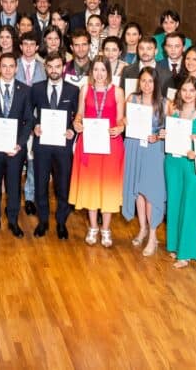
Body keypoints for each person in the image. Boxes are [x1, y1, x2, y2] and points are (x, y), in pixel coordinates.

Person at [69, 56, 126, 248]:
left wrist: (119, 128)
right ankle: (93, 227)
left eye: (103, 70)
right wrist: (76, 123)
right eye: (96, 70)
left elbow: (121, 119)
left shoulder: (117, 92)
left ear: (108, 72)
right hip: (90, 143)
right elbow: (80, 114)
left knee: (108, 186)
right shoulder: (85, 89)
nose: (99, 74)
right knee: (91, 185)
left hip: (110, 144)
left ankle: (106, 229)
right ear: (91, 72)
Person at [0, 52, 32, 237]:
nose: (8, 70)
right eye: (4, 66)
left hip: (14, 148)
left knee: (13, 185)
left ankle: (13, 221)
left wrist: (20, 144)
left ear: (16, 68)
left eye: (11, 66)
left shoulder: (25, 90)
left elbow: (29, 120)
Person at [29, 52, 79, 239]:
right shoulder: (37, 88)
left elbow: (78, 116)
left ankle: (61, 222)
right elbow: (28, 111)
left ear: (63, 67)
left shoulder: (73, 90)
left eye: (58, 66)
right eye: (50, 67)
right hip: (42, 144)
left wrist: (72, 130)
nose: (54, 70)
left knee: (62, 186)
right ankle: (43, 221)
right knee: (40, 185)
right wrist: (35, 124)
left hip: (63, 146)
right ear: (46, 68)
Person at [121, 68, 166, 256]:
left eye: (150, 81)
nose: (147, 85)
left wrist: (160, 135)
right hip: (134, 147)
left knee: (151, 194)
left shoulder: (165, 103)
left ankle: (153, 236)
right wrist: (124, 120)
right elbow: (123, 120)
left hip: (154, 150)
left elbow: (168, 129)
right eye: (144, 81)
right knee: (138, 191)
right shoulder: (132, 99)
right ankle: (142, 228)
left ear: (156, 83)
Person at [164, 76, 196, 268]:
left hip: (193, 162)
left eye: (191, 90)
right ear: (179, 92)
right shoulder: (173, 109)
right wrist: (163, 133)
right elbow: (165, 132)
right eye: (184, 90)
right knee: (174, 202)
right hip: (173, 161)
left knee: (191, 205)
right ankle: (174, 245)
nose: (188, 94)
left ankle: (187, 251)